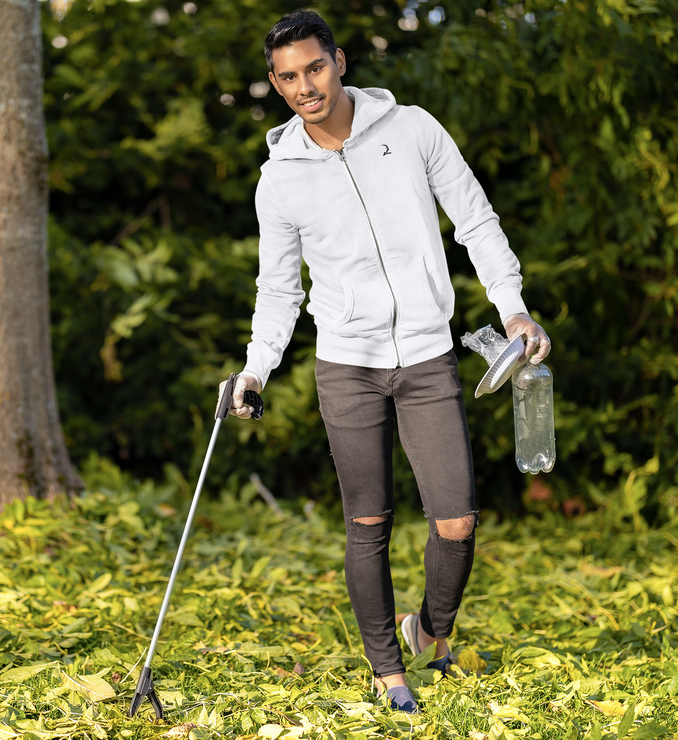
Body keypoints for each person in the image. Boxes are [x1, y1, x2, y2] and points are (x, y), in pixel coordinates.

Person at [228, 10, 550, 713]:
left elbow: (475, 218)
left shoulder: (412, 131)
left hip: (429, 357)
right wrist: (255, 369)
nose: (303, 86)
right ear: (277, 86)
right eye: (287, 77)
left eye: (314, 68)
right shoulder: (280, 181)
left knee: (456, 520)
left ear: (339, 62)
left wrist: (512, 307)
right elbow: (279, 289)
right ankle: (386, 668)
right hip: (347, 366)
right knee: (367, 523)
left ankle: (430, 629)